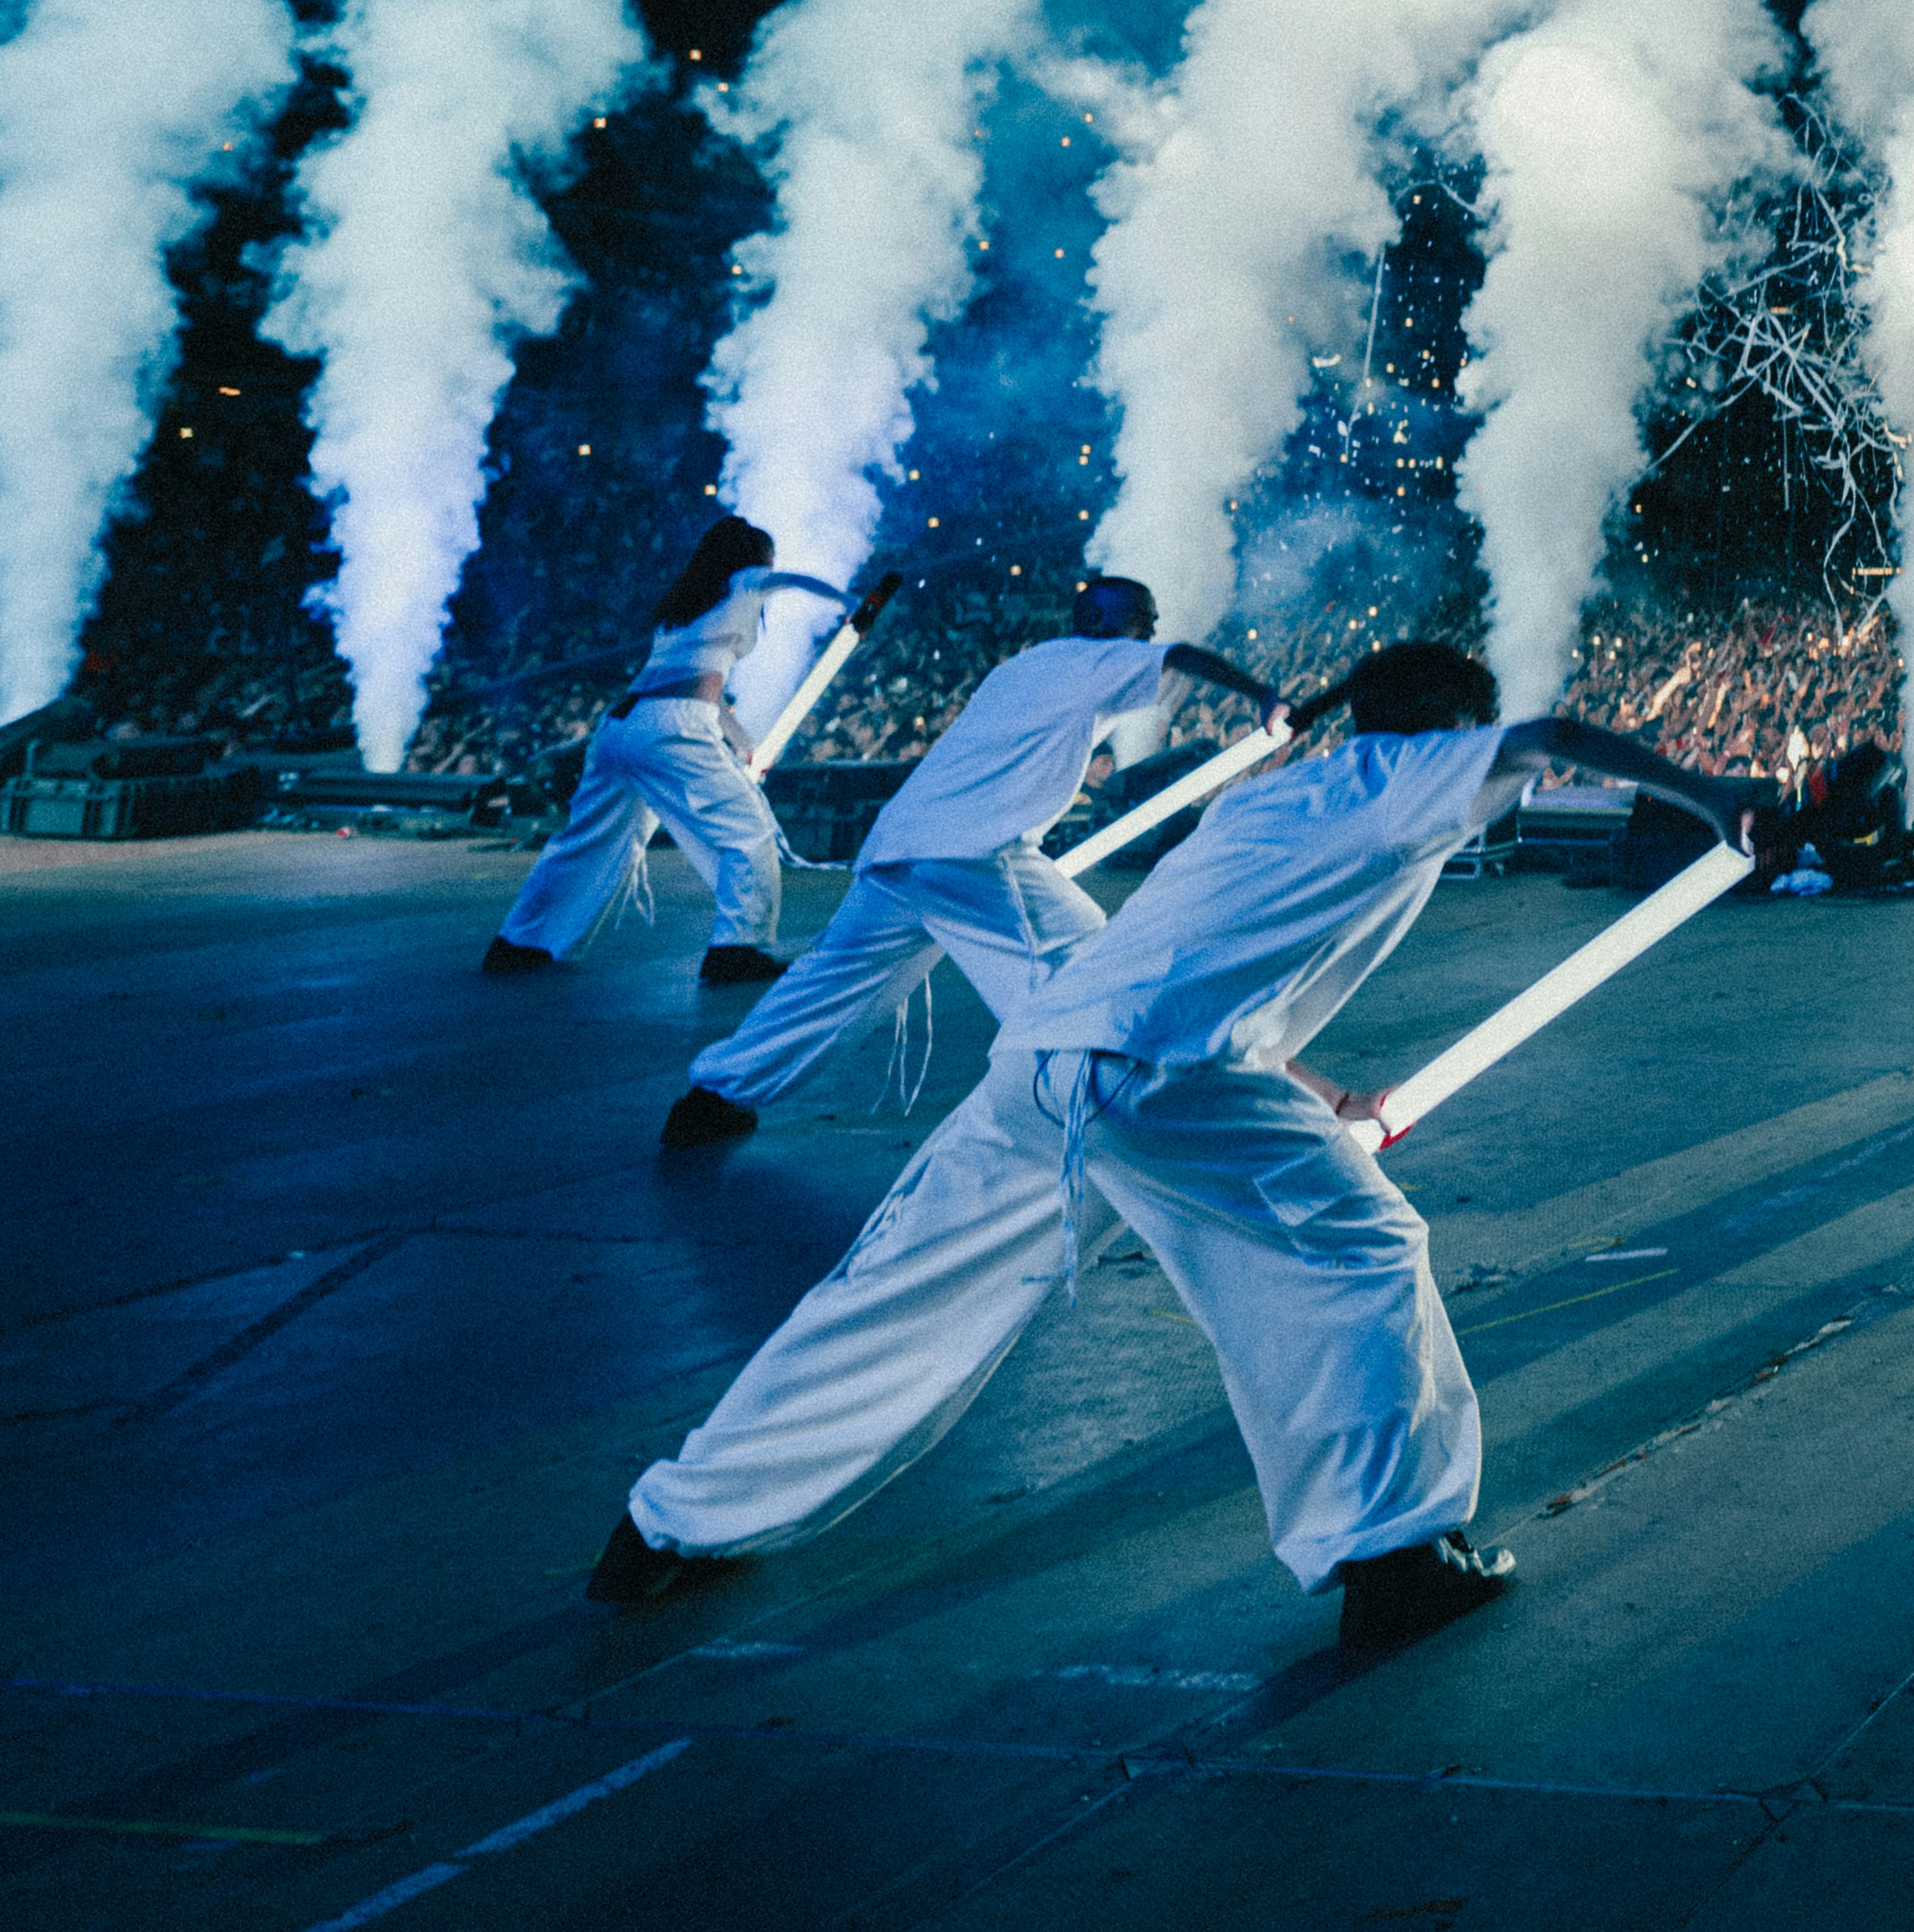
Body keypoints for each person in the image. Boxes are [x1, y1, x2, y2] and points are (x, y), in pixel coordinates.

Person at [583, 641, 1770, 1657]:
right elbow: (1545, 731)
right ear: (1442, 727)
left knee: (890, 1296)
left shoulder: (1267, 801)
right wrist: (1713, 792)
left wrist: (1326, 1089)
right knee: (1361, 1246)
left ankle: (667, 1522)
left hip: (1054, 1059)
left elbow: (1177, 969)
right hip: (1160, 1081)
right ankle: (1394, 1558)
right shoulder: (1400, 775)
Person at [657, 581, 1285, 1151]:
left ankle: (714, 1095)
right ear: (1101, 622)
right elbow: (1178, 657)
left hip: (899, 850)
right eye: (1141, 621)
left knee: (826, 987)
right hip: (975, 854)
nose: (1148, 634)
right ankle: (1100, 1115)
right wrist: (1264, 696)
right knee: (1086, 963)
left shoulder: (1026, 668)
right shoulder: (1091, 656)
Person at [482, 521, 847, 985]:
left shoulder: (684, 608)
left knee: (590, 839)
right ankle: (739, 946)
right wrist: (848, 602)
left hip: (621, 729)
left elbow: (699, 686)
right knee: (747, 828)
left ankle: (521, 941)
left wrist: (745, 745)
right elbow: (787, 583)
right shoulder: (745, 583)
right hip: (671, 728)